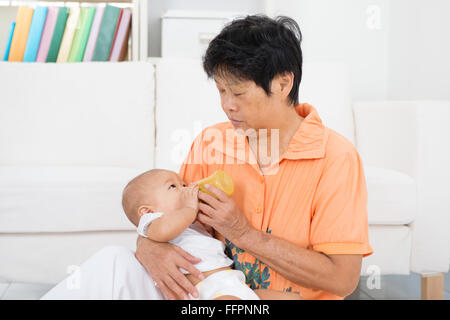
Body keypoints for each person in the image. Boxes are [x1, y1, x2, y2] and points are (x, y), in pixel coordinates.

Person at [135, 14, 373, 300]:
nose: (227, 105)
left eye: (237, 92)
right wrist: (146, 245)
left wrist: (243, 233)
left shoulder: (336, 158)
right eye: (221, 91)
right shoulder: (212, 142)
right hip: (209, 296)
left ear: (283, 84)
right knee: (111, 261)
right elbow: (171, 218)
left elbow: (342, 278)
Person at [121, 168, 259, 300]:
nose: (185, 189)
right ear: (147, 211)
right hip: (207, 290)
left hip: (234, 282)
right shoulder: (153, 221)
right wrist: (189, 209)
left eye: (183, 184)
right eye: (173, 186)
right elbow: (164, 231)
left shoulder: (189, 221)